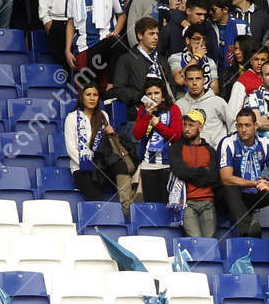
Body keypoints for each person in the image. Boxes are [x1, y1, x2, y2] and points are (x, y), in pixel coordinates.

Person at [65, 82, 134, 213]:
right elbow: (71, 148)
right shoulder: (72, 118)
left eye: (95, 95)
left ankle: (127, 208)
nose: (92, 98)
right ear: (82, 97)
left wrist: (111, 133)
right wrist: (88, 164)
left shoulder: (103, 116)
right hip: (82, 167)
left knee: (121, 165)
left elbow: (107, 145)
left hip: (101, 164)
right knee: (96, 197)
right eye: (88, 94)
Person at [218, 108, 269, 236]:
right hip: (231, 196)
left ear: (256, 126)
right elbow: (226, 178)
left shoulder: (266, 143)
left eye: (247, 125)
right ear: (236, 126)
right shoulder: (228, 142)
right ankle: (248, 231)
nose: (243, 129)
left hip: (254, 194)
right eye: (240, 125)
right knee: (230, 188)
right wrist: (254, 183)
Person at [167, 108, 219, 237]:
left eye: (191, 125)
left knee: (210, 242)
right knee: (195, 240)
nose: (186, 129)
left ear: (200, 128)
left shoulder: (210, 150)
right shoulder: (175, 148)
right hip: (187, 203)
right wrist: (202, 171)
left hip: (208, 201)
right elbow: (180, 172)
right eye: (185, 124)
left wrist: (189, 175)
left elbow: (213, 177)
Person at [131, 78, 182, 204]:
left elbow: (176, 136)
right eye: (149, 94)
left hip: (168, 165)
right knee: (151, 205)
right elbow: (137, 135)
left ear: (163, 94)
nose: (153, 97)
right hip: (148, 165)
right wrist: (147, 115)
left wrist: (157, 124)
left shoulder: (174, 109)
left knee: (166, 204)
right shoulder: (143, 110)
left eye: (156, 93)